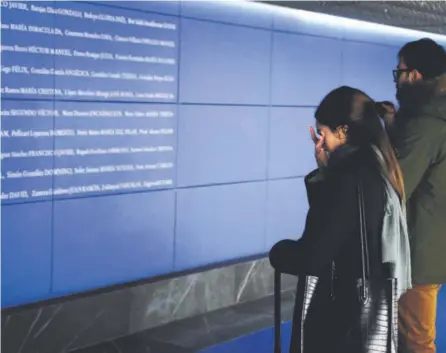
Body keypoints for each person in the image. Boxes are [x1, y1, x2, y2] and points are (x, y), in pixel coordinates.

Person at [269, 86, 411, 353]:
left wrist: (279, 253)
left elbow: (315, 254)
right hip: (371, 297)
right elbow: (340, 223)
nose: (319, 142)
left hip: (340, 310)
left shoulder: (348, 178)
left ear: (343, 131)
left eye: (322, 133)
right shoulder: (378, 166)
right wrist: (326, 170)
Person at [389, 38, 446, 353]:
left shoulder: (426, 125)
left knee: (415, 342)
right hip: (431, 245)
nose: (397, 80)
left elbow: (395, 186)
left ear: (416, 75)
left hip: (417, 254)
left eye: (400, 72)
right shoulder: (434, 119)